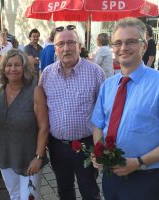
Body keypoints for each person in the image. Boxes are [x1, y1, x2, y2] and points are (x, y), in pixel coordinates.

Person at [91, 17, 159, 200]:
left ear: (144, 46)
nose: (123, 48)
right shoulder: (108, 85)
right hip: (111, 176)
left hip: (145, 178)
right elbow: (98, 124)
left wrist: (138, 162)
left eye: (131, 42)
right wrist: (100, 151)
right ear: (112, 48)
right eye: (118, 43)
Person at [39, 25, 105, 200]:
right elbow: (42, 109)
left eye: (71, 43)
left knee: (89, 190)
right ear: (55, 48)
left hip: (86, 145)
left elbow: (105, 112)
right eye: (61, 44)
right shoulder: (46, 74)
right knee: (64, 190)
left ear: (80, 46)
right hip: (57, 146)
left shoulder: (95, 73)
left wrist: (101, 145)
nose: (66, 48)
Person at [0, 49, 49, 200]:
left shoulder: (35, 91)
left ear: (25, 68)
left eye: (17, 65)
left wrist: (39, 157)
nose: (13, 69)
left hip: (29, 158)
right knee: (14, 196)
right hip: (6, 156)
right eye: (9, 65)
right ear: (3, 69)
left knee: (28, 198)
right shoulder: (0, 92)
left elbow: (44, 127)